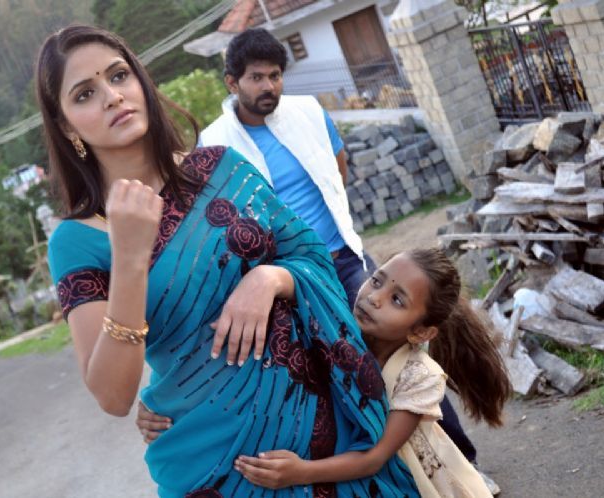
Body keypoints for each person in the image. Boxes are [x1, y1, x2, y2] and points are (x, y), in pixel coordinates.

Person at [38, 24, 418, 498]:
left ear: (140, 81)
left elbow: (310, 254)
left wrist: (271, 278)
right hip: (216, 466)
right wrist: (131, 259)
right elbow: (113, 395)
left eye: (118, 76)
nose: (112, 96)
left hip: (324, 439)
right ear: (67, 126)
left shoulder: (223, 168)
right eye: (85, 94)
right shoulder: (77, 240)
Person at [232, 248, 512, 497]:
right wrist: (267, 278)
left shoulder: (419, 377)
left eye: (397, 300)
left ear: (421, 332)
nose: (374, 298)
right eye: (376, 281)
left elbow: (374, 458)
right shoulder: (340, 331)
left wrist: (300, 472)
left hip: (414, 480)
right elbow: (307, 289)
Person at [199, 28, 374, 309]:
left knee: (386, 327)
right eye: (256, 77)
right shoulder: (214, 143)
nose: (268, 86)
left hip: (345, 258)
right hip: (290, 280)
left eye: (275, 76)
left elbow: (337, 172)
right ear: (232, 83)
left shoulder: (309, 112)